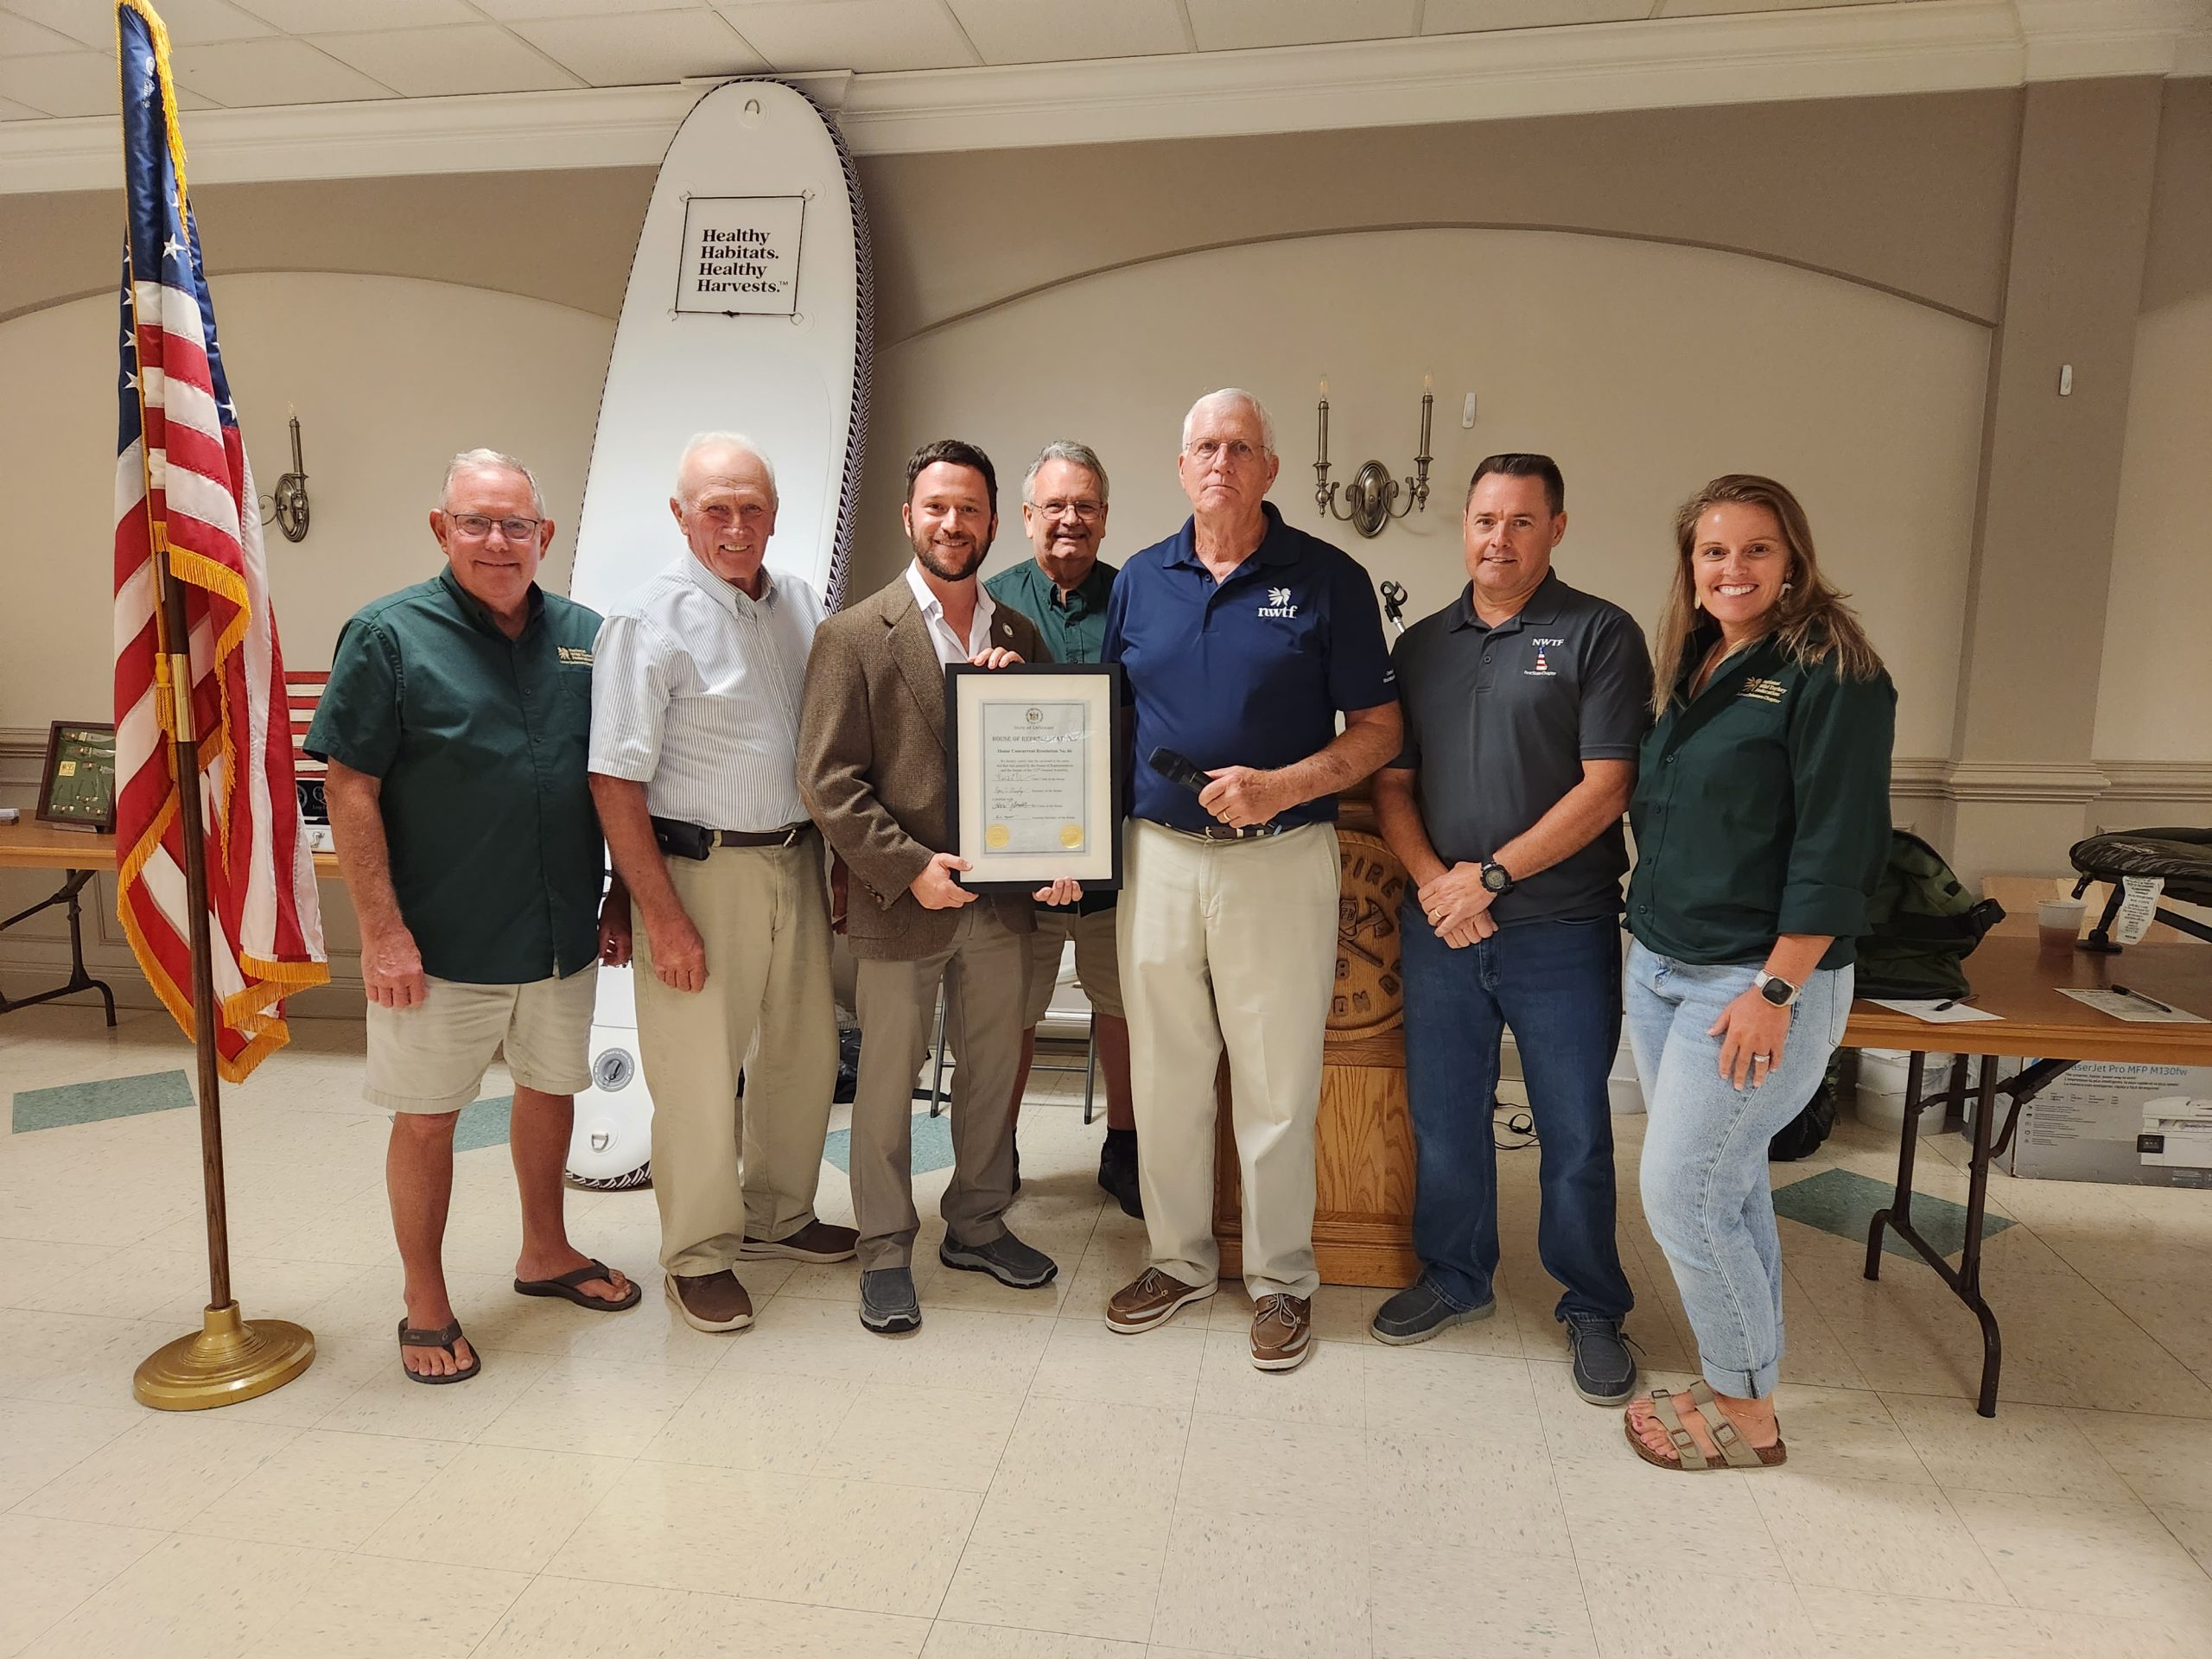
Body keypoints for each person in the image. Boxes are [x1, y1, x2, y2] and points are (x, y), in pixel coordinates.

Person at [309, 448, 639, 1385]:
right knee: (427, 1121)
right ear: (440, 528)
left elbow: (611, 778)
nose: (499, 541)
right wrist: (381, 932)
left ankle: (546, 1251)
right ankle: (425, 1302)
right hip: (439, 943)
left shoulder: (584, 635)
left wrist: (616, 891)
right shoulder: (386, 635)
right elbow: (350, 786)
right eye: (477, 522)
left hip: (559, 931)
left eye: (517, 525)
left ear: (546, 533)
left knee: (550, 1090)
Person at [1101, 390, 1399, 1372]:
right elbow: (1104, 726)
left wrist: (1281, 786)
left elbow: (1378, 730)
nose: (1220, 462)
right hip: (1161, 860)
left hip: (1281, 862)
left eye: (1239, 447)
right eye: (1203, 447)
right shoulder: (1141, 580)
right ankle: (1177, 1262)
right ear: (1180, 466)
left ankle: (1280, 1281)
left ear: (1270, 469)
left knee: (1277, 1083)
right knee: (1168, 1072)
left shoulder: (1328, 579)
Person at [1620, 474, 1894, 1470]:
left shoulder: (1835, 673)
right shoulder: (1694, 665)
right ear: (1690, 570)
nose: (1731, 569)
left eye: (1755, 550)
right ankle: (1748, 1377)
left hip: (1751, 982)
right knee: (1725, 1188)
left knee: (1681, 1194)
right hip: (1658, 965)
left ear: (1793, 560)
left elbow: (1839, 845)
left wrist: (1775, 991)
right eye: (1712, 552)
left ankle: (1746, 1412)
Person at [1370, 454, 1651, 1405]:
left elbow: (1605, 785)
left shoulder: (1599, 634)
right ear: (1464, 527)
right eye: (1485, 520)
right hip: (1443, 929)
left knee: (1573, 1128)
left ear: (1557, 528)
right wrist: (1436, 887)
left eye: (1521, 522)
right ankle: (1455, 1276)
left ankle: (1590, 1304)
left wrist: (1489, 877)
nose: (1500, 539)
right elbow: (1394, 786)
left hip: (1557, 928)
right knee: (1445, 1121)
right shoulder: (1418, 646)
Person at [798, 439, 1079, 1335]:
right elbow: (828, 780)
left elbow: (1040, 759)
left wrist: (1053, 849)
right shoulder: (852, 635)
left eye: (968, 510)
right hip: (899, 900)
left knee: (993, 1073)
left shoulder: (1017, 635)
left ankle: (978, 1221)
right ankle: (884, 1246)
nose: (952, 524)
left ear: (993, 522)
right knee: (885, 1084)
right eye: (936, 508)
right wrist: (909, 867)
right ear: (909, 516)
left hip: (998, 907)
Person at [587, 433, 856, 1337]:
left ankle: (779, 1214)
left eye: (752, 507)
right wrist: (658, 912)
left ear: (775, 515)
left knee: (802, 1054)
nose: (736, 525)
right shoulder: (647, 619)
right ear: (681, 515)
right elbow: (614, 780)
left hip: (795, 858)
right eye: (716, 508)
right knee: (700, 1078)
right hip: (698, 872)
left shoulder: (799, 603)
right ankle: (698, 1255)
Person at [982, 440, 1140, 1216]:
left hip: (1118, 849)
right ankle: (997, 1151)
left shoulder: (1139, 595)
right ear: (1027, 517)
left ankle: (1125, 1148)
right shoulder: (989, 602)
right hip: (1020, 856)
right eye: (1055, 506)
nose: (1069, 519)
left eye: (1085, 506)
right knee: (1013, 1008)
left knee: (1123, 1003)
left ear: (1105, 518)